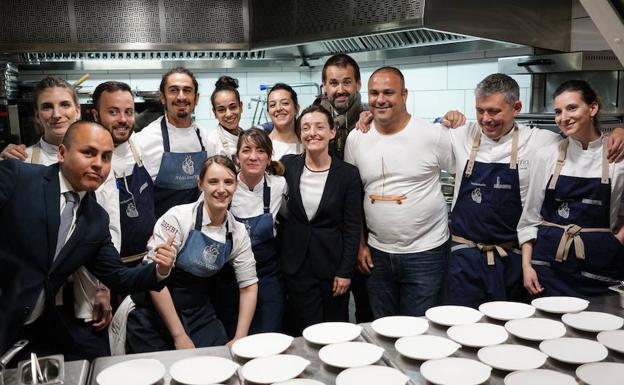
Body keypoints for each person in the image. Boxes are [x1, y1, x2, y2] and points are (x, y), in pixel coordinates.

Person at [0, 121, 175, 360]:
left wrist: (159, 269)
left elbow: (119, 277)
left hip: (32, 328)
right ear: (62, 153)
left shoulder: (95, 220)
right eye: (88, 153)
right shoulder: (19, 177)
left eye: (106, 157)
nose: (98, 164)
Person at [0, 76, 120, 358]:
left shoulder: (99, 164)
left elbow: (110, 226)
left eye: (65, 104)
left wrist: (104, 288)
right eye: (47, 107)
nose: (57, 114)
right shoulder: (20, 161)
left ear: (78, 111)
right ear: (37, 116)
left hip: (83, 295)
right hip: (26, 304)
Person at [345, 66, 452, 318]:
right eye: (374, 93)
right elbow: (353, 197)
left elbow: (462, 174)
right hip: (377, 254)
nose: (380, 99)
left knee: (421, 330)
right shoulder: (357, 138)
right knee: (384, 327)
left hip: (426, 253)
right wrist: (360, 244)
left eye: (388, 92)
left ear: (404, 95)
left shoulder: (432, 135)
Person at [126, 155, 258, 352]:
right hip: (153, 311)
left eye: (228, 182)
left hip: (198, 309)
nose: (221, 189)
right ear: (200, 184)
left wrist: (240, 337)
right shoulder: (177, 218)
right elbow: (155, 280)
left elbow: (248, 285)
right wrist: (179, 336)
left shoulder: (237, 232)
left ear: (236, 185)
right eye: (213, 182)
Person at [518, 80, 624, 298]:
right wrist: (527, 266)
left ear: (593, 108)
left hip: (599, 267)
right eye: (558, 111)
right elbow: (530, 218)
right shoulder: (546, 155)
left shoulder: (617, 158)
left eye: (572, 108)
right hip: (546, 268)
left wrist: (616, 242)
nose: (563, 118)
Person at [279, 104, 362, 333]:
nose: (312, 133)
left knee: (334, 331)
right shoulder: (288, 165)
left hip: (332, 267)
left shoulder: (347, 174)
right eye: (305, 127)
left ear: (332, 132)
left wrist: (345, 271)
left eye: (319, 127)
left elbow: (352, 227)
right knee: (301, 330)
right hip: (297, 267)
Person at [213, 128, 288, 337]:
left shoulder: (279, 186)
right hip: (230, 277)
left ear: (269, 157)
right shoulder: (224, 187)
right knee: (234, 338)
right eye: (246, 150)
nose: (253, 156)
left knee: (268, 336)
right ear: (237, 157)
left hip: (267, 276)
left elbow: (290, 218)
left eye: (261, 150)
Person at [133, 67, 215, 218]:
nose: (181, 97)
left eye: (187, 90)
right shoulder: (143, 140)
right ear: (163, 97)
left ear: (196, 98)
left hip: (196, 228)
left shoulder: (205, 138)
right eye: (174, 90)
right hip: (160, 231)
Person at [91, 81, 156, 265]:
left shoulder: (142, 145)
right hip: (104, 269)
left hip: (147, 262)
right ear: (96, 115)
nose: (123, 119)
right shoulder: (84, 160)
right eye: (113, 112)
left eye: (128, 111)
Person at [206, 76, 244, 161]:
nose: (228, 114)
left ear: (241, 107)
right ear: (215, 113)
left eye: (233, 107)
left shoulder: (245, 136)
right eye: (221, 110)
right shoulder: (212, 141)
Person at [267, 83, 302, 160]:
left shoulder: (306, 144)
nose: (278, 108)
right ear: (268, 112)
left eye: (285, 103)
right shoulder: (263, 145)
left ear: (297, 108)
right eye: (272, 105)